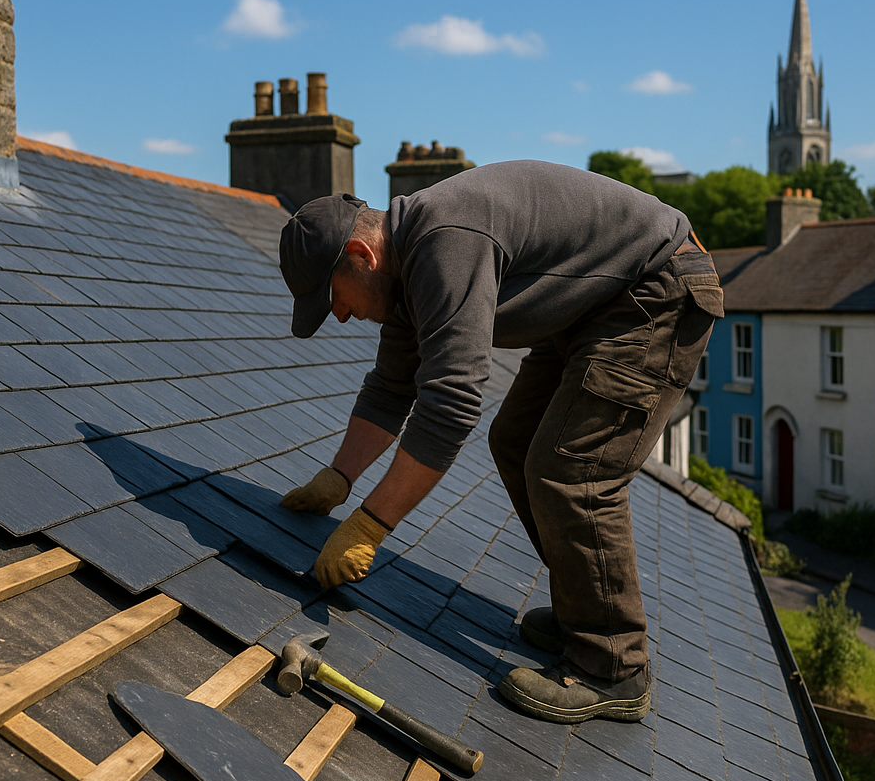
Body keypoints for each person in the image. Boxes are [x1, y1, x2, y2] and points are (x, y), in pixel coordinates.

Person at [276, 160, 722, 723]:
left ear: (363, 257)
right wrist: (337, 479)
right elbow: (393, 388)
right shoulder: (407, 271)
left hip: (654, 290)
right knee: (517, 440)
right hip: (597, 308)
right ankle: (583, 606)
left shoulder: (443, 244)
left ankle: (613, 666)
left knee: (572, 469)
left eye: (332, 298)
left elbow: (449, 403)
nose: (339, 316)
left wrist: (370, 525)